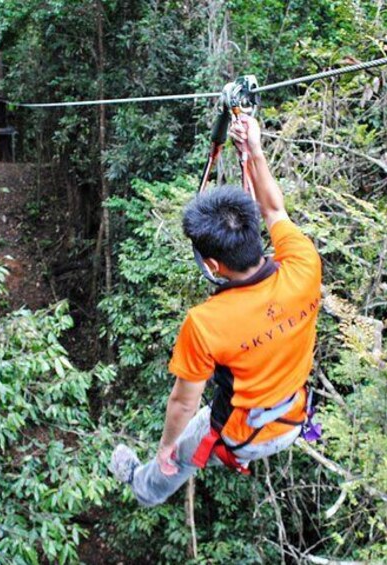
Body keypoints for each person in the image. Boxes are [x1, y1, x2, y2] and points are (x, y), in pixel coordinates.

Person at [109, 114, 322, 507]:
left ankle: (144, 486)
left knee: (181, 448)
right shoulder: (304, 264)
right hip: (293, 416)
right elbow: (276, 210)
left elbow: (183, 401)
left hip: (244, 434)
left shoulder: (207, 323)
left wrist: (166, 447)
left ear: (211, 266)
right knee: (207, 414)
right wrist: (254, 149)